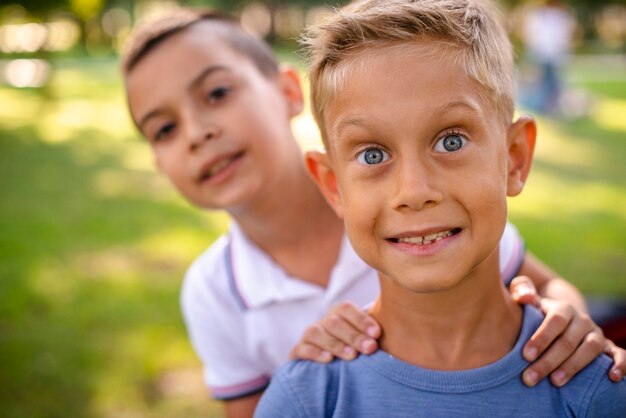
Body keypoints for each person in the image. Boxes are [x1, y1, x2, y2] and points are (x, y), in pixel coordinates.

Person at [120, 7, 625, 417]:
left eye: (217, 93)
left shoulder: (440, 224)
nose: (197, 132)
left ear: (287, 93)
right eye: (163, 129)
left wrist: (568, 319)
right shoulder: (217, 294)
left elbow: (546, 284)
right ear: (335, 185)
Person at [522, 0, 576, 114]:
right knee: (545, 83)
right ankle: (544, 106)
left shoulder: (558, 16)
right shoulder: (541, 16)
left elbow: (564, 37)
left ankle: (549, 106)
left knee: (552, 84)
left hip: (553, 56)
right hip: (544, 55)